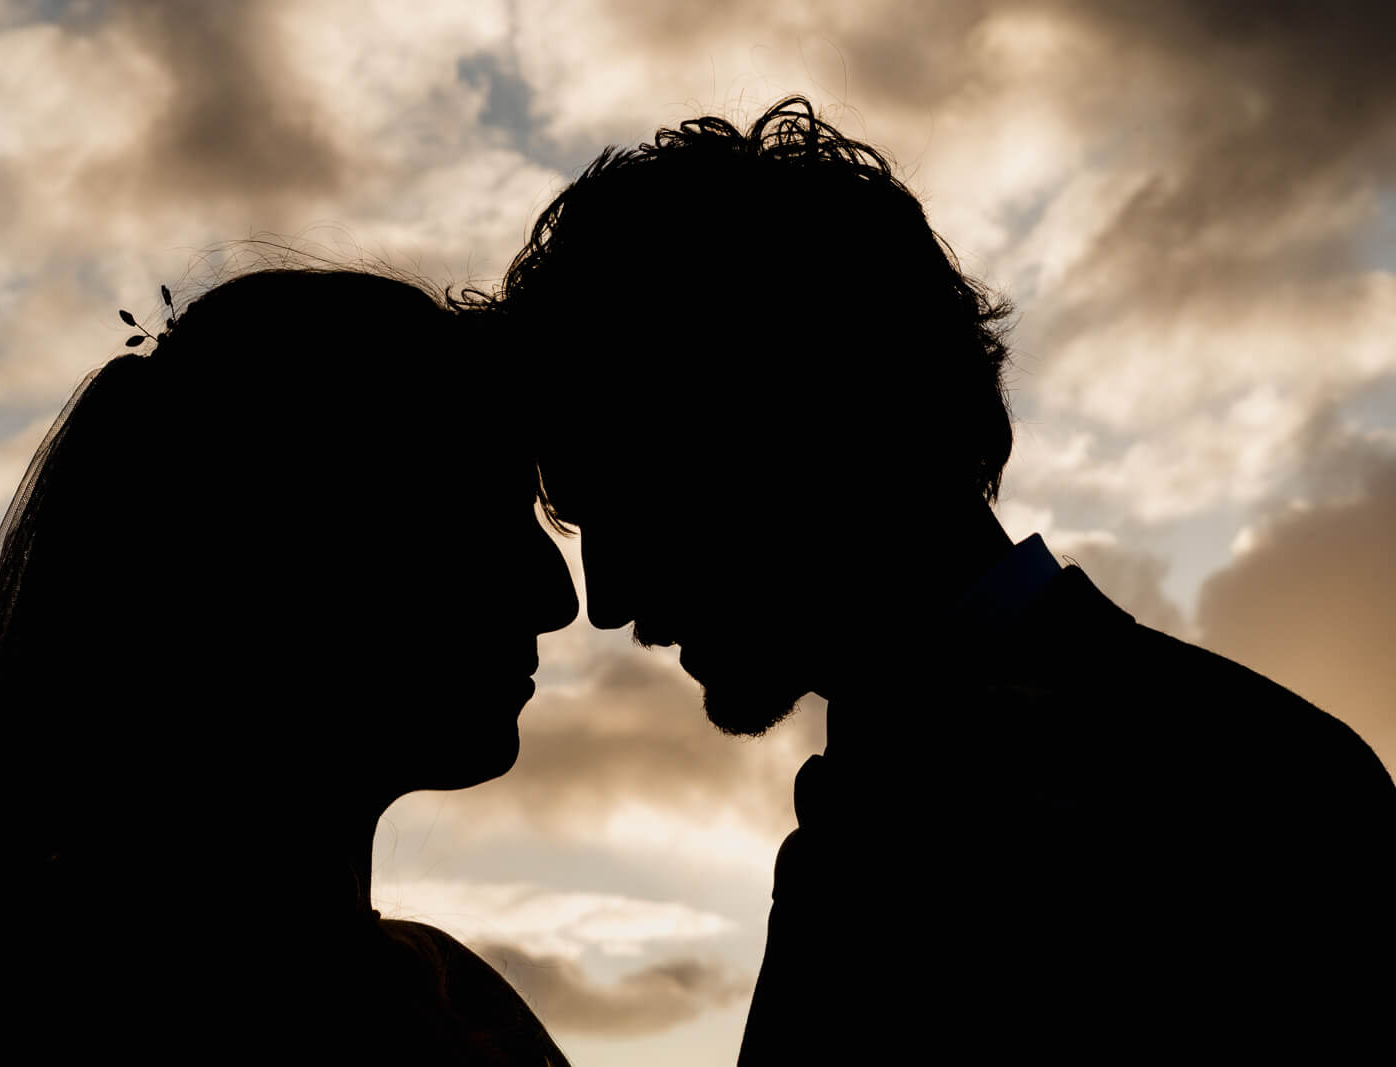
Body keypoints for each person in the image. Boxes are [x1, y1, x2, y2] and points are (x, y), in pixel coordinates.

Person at [462, 98, 1396, 1059]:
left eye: (632, 506)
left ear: (799, 432)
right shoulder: (1244, 764)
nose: (607, 599)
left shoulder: (1247, 804)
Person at [0, 269, 577, 1066]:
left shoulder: (445, 997)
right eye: (479, 523)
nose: (555, 595)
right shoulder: (103, 1014)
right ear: (287, 556)